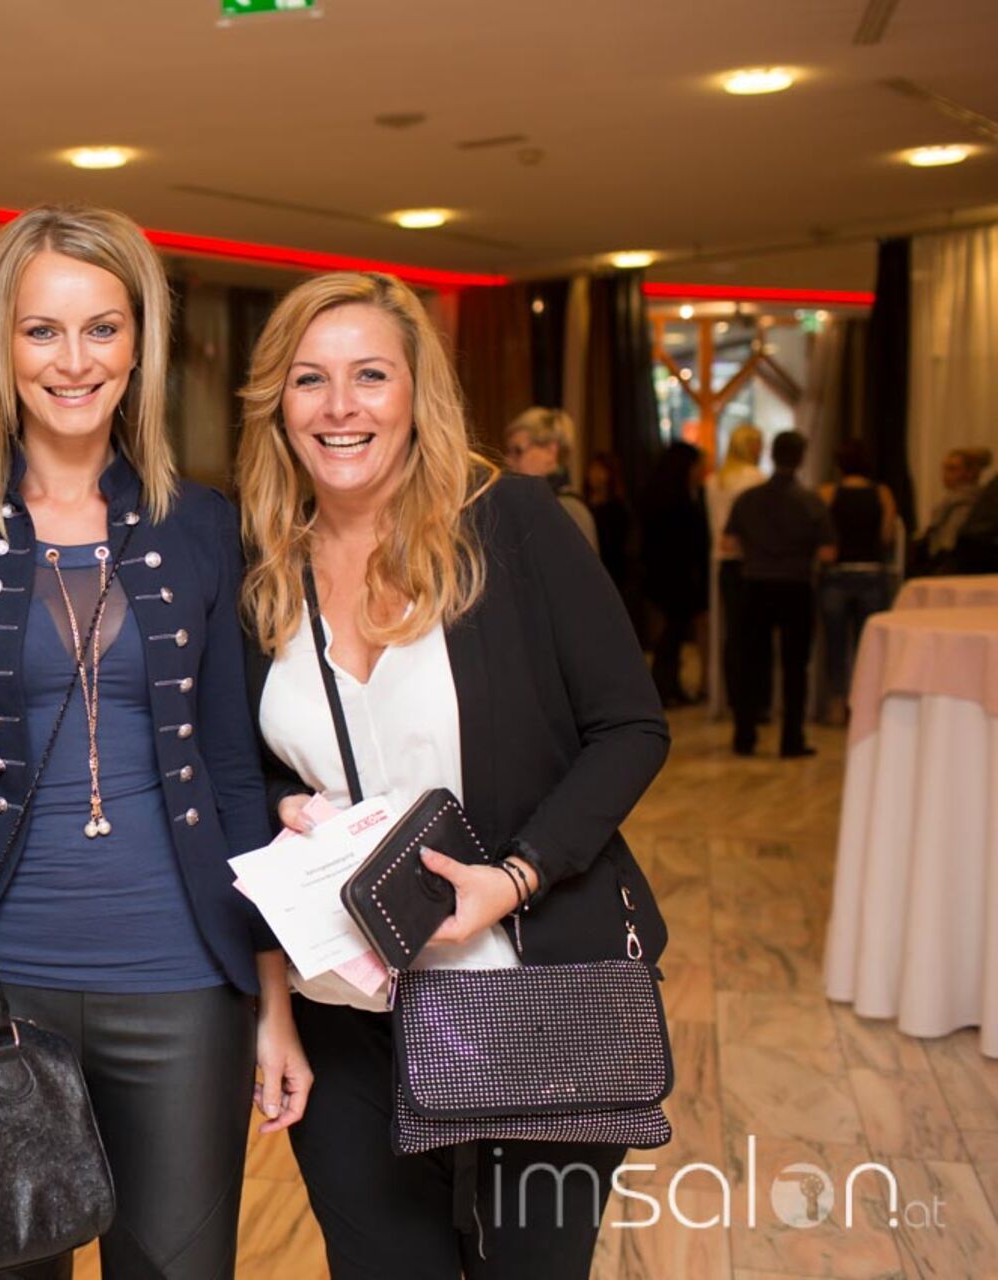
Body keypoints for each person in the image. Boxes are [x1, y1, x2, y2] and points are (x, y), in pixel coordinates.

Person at [0, 204, 307, 1280]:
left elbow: (234, 771)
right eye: (43, 331)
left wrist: (274, 1002)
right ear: (1, 344)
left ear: (140, 343)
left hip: (184, 984)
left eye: (103, 328)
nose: (75, 361)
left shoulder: (202, 524)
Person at [237, 271, 670, 1278]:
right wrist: (281, 807)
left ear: (415, 391)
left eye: (370, 375)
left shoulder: (511, 522)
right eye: (309, 379)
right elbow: (238, 768)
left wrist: (515, 874)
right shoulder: (258, 562)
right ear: (278, 404)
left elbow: (630, 727)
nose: (340, 407)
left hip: (529, 990)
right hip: (344, 1004)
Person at [723, 430, 835, 758]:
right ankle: (791, 739)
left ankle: (744, 736)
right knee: (795, 666)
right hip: (795, 586)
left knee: (750, 662)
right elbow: (828, 552)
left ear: (772, 454)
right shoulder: (811, 502)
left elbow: (728, 543)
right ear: (800, 459)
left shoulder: (749, 499)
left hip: (755, 584)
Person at [817, 440, 898, 721]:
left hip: (836, 574)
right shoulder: (882, 494)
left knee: (835, 644)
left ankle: (836, 704)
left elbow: (821, 535)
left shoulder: (828, 493)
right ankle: (866, 705)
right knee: (870, 646)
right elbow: (887, 536)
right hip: (872, 571)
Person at [639, 441, 711, 706]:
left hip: (666, 576)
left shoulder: (671, 495)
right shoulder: (676, 501)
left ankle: (671, 686)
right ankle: (662, 687)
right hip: (673, 577)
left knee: (673, 636)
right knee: (670, 636)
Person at [705, 425, 768, 719]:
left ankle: (733, 697)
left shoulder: (714, 481)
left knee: (731, 632)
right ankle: (754, 700)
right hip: (751, 562)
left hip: (722, 562)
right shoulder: (756, 479)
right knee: (753, 634)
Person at [505, 406, 598, 551]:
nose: (508, 461)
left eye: (517, 451)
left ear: (550, 451)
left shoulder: (569, 509)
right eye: (509, 451)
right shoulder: (542, 503)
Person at [913, 446, 993, 574]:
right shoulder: (953, 501)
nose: (945, 474)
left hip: (949, 567)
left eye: (952, 469)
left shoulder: (966, 503)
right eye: (944, 468)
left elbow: (949, 543)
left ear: (970, 473)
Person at [582, 450, 634, 600]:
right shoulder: (582, 505)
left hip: (610, 572)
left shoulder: (617, 509)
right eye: (593, 469)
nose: (596, 475)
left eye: (601, 470)